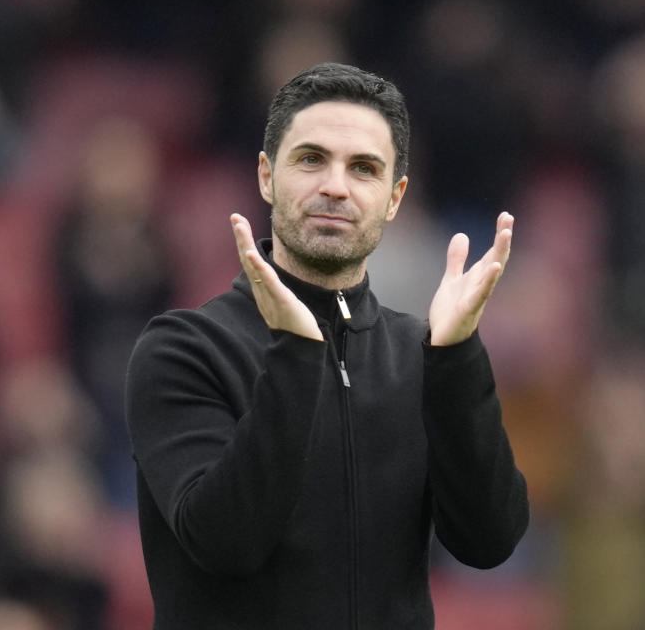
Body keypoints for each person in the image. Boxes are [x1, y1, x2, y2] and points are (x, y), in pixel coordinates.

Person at [125, 62, 529, 629]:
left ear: (393, 198)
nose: (335, 186)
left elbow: (489, 541)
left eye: (363, 168)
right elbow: (225, 542)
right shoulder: (183, 349)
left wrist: (457, 355)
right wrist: (295, 353)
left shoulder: (420, 352)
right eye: (311, 159)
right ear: (267, 176)